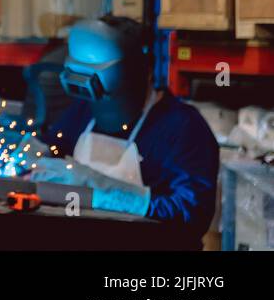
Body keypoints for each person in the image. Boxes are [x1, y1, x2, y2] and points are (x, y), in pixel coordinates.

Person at [40, 16, 219, 247]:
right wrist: (33, 155)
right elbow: (53, 152)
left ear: (142, 71)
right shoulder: (84, 110)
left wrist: (110, 194)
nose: (102, 107)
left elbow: (190, 216)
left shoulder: (184, 127)